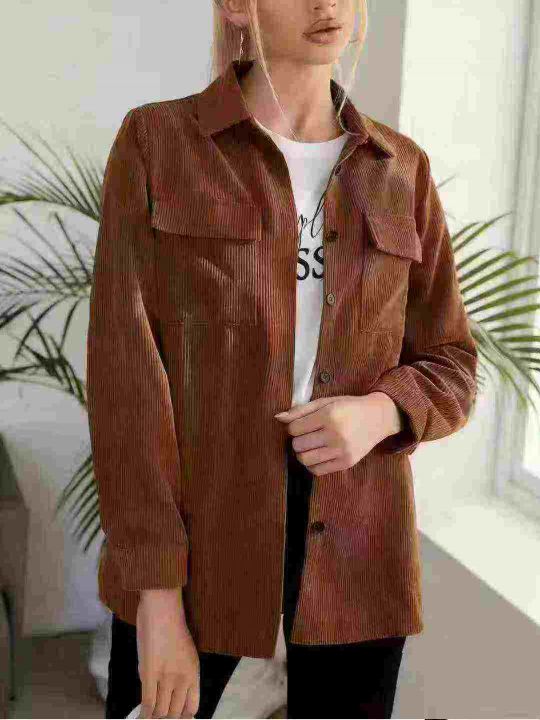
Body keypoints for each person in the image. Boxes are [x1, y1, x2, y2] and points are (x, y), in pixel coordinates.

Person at [86, 0, 478, 718]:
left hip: (360, 548)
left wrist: (380, 412)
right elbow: (125, 384)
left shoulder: (401, 170)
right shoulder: (158, 143)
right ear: (238, 4)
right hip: (200, 535)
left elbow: (452, 360)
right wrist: (157, 600)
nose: (327, 5)